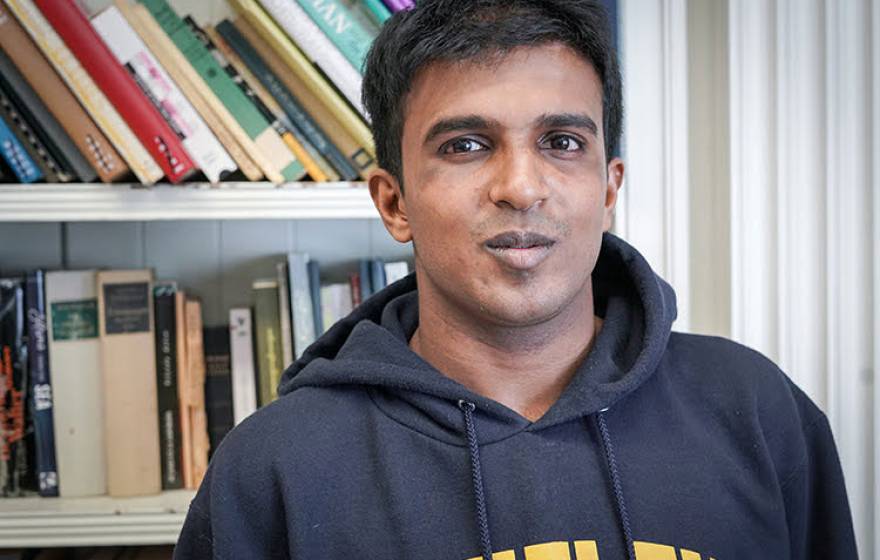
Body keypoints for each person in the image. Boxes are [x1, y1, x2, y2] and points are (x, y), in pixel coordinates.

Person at [174, 1, 858, 558]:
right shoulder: (273, 469)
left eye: (562, 142)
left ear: (608, 188)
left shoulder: (759, 412)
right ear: (394, 202)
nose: (521, 187)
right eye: (466, 145)